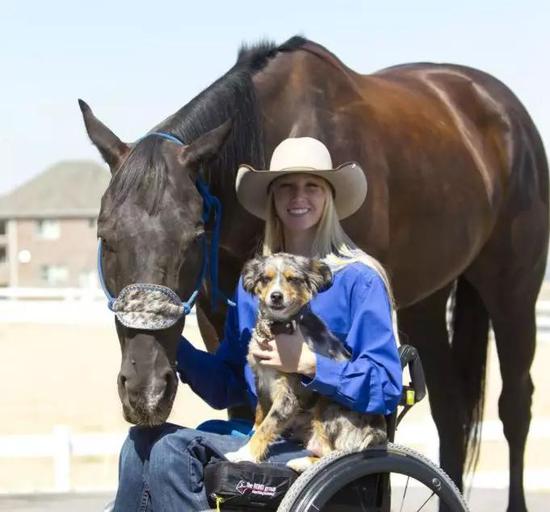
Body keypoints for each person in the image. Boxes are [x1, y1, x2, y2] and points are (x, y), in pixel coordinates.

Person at [112, 137, 403, 512]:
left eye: (311, 185)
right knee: (142, 443)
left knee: (172, 452)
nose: (298, 197)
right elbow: (230, 384)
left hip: (325, 449)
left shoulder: (358, 280)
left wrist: (308, 364)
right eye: (286, 187)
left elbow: (387, 385)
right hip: (266, 439)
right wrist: (161, 336)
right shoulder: (257, 284)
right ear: (273, 199)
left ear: (329, 196)